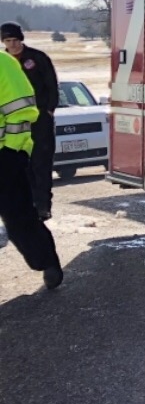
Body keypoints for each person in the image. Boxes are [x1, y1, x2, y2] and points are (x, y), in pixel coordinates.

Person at [0, 48, 62, 289]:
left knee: (19, 221)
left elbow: (22, 111)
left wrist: (13, 151)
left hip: (5, 156)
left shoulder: (3, 64)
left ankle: (45, 260)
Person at [1, 22, 58, 219]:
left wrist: (49, 110)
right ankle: (24, 207)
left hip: (40, 121)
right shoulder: (4, 63)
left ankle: (43, 207)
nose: (13, 44)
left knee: (40, 166)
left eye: (15, 40)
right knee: (18, 169)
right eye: (8, 41)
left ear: (21, 39)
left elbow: (51, 85)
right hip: (13, 126)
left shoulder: (37, 58)